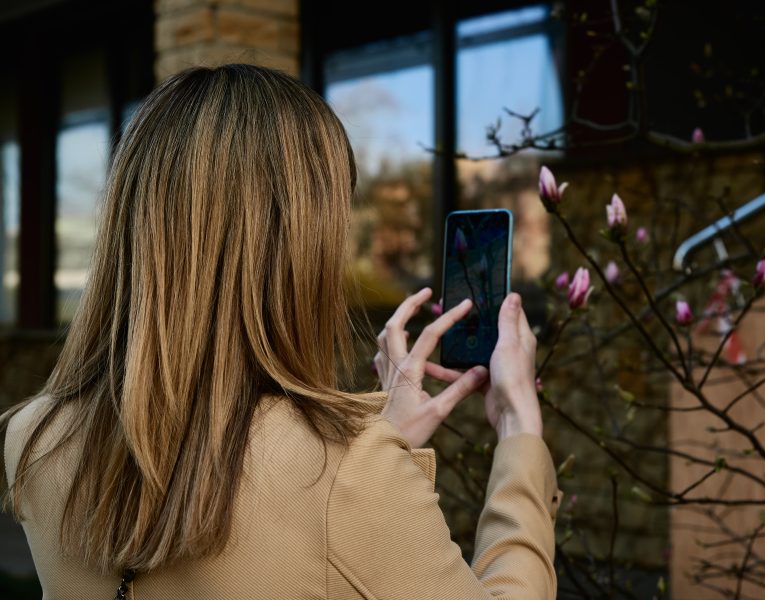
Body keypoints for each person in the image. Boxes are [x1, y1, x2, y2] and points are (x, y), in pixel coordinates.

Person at [1, 64, 560, 599]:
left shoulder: (35, 439)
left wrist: (387, 451)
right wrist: (518, 428)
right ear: (298, 247)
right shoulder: (347, 474)